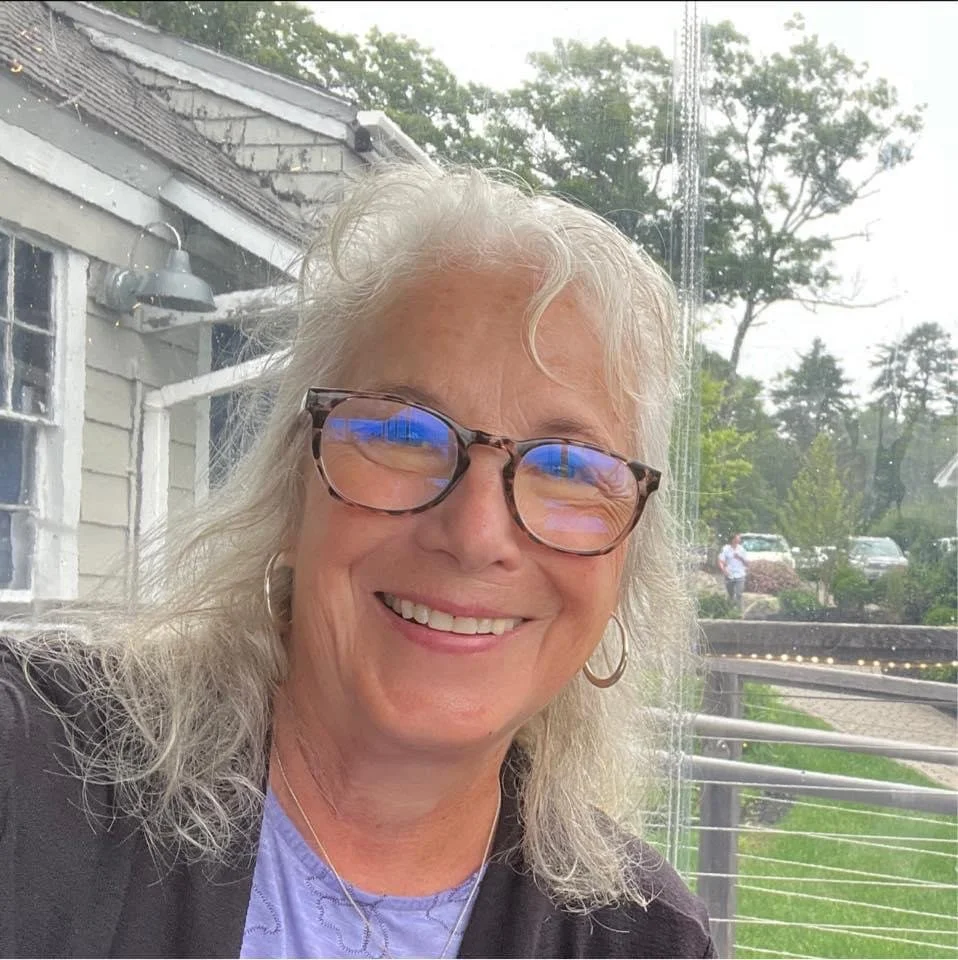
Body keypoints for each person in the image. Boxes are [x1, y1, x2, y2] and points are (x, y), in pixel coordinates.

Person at [1, 165, 714, 958]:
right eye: (403, 433)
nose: (475, 534)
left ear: (622, 567)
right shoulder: (30, 775)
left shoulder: (646, 942)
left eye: (572, 468)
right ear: (291, 486)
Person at [718, 533, 749, 610]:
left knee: (739, 594)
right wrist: (723, 570)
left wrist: (740, 558)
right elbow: (720, 561)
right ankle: (731, 610)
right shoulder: (725, 549)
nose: (739, 540)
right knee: (731, 594)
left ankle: (740, 610)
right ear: (733, 540)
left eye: (739, 539)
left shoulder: (742, 549)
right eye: (737, 538)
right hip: (729, 574)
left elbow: (747, 563)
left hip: (740, 574)